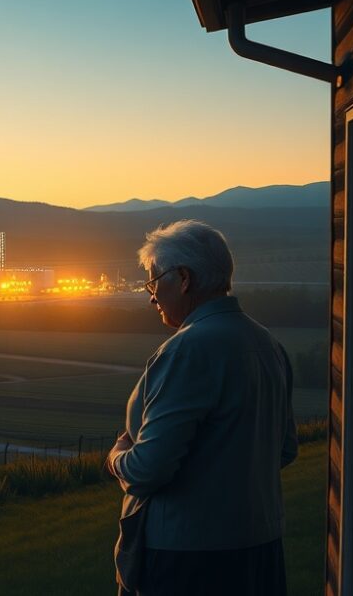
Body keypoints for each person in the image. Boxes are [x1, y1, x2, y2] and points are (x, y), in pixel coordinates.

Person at [107, 220, 298, 596]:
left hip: (189, 559)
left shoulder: (188, 349)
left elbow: (147, 469)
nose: (151, 296)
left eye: (153, 281)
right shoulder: (268, 344)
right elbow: (285, 449)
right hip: (261, 548)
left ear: (183, 279)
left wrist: (117, 456)